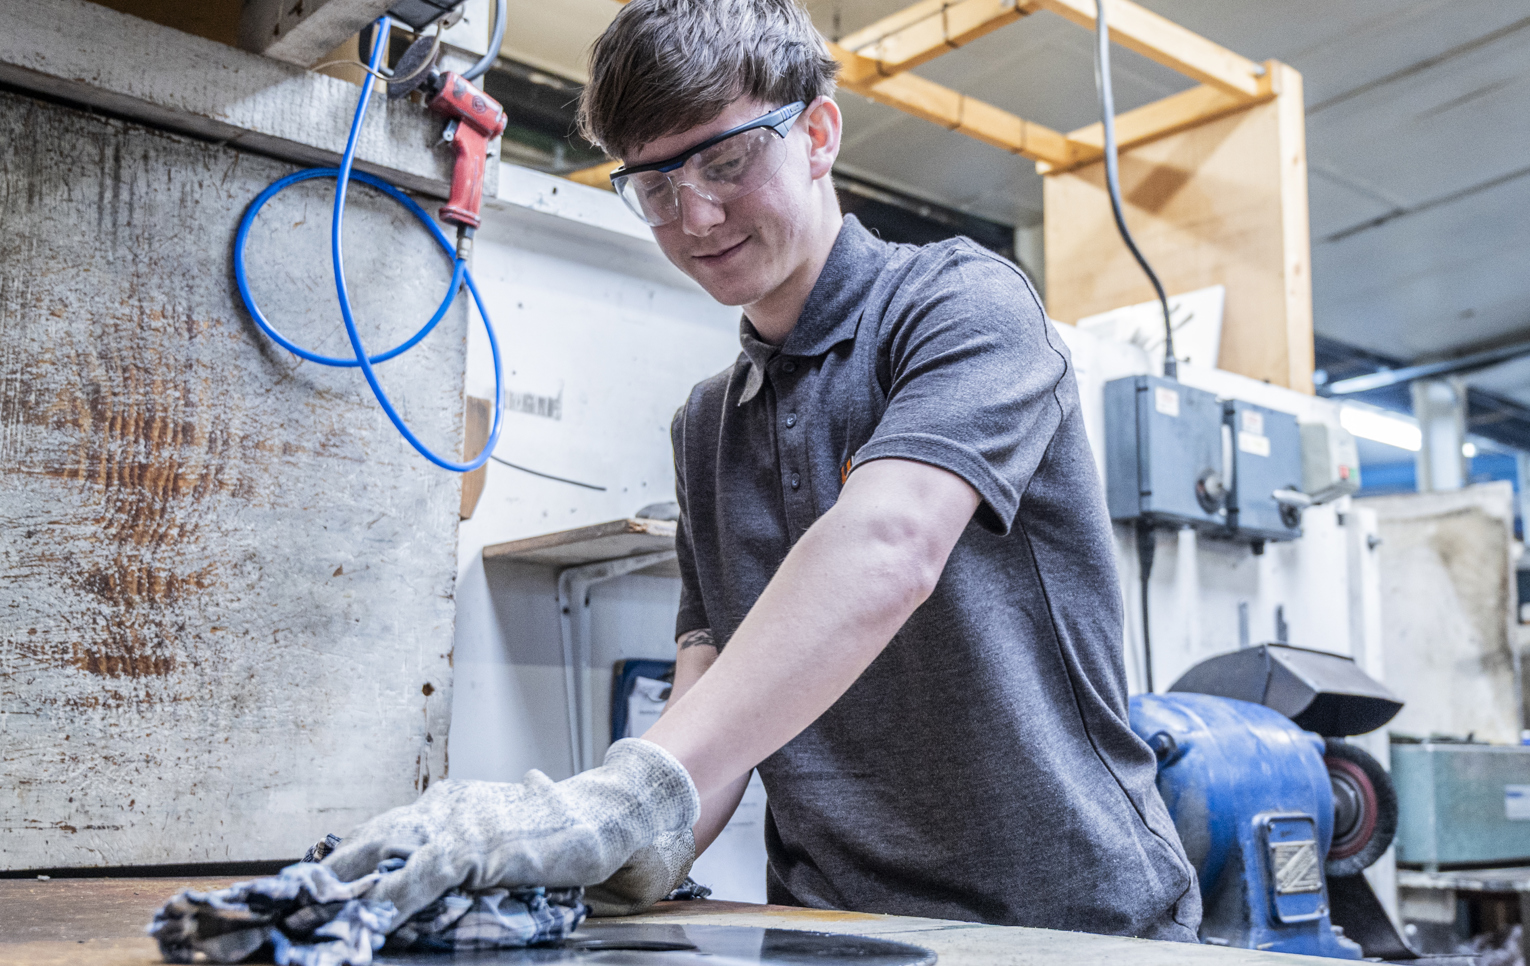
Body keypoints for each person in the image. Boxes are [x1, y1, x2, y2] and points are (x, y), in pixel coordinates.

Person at [324, 0, 1199, 940]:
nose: (694, 215)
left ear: (817, 133)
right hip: (835, 927)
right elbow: (711, 682)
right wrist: (598, 859)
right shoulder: (706, 426)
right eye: (654, 185)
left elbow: (890, 543)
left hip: (1065, 921)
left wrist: (614, 798)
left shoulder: (961, 305)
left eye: (726, 161)